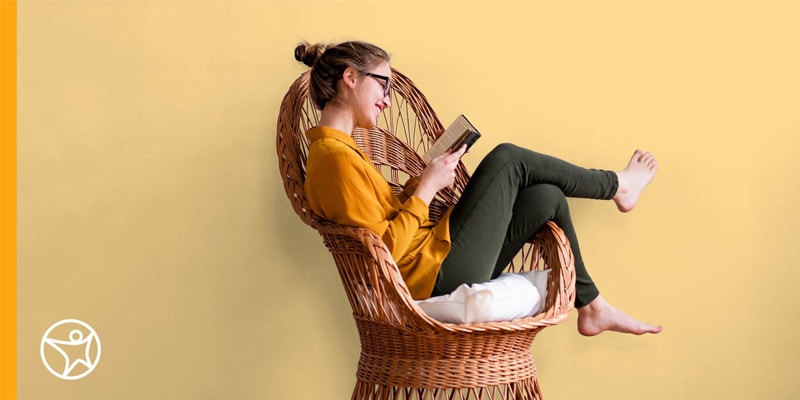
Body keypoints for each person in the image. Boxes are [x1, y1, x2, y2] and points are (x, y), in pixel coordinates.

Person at [295, 40, 662, 336]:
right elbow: (383, 253)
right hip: (431, 277)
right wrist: (426, 191)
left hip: (434, 261)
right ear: (351, 78)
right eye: (383, 84)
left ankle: (593, 307)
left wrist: (426, 177)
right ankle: (616, 185)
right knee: (508, 158)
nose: (388, 99)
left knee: (545, 197)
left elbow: (382, 223)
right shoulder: (333, 158)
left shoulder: (341, 153)